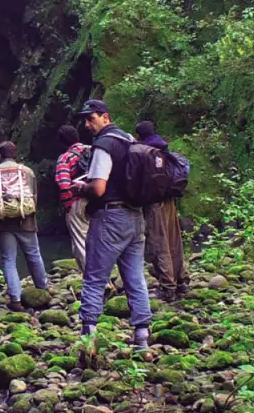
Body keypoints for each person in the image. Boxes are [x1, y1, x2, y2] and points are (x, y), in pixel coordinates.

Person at [75, 99, 153, 349]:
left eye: (92, 118)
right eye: (86, 119)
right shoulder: (130, 140)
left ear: (105, 117)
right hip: (136, 217)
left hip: (110, 217)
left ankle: (89, 339)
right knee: (135, 278)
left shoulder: (104, 145)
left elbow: (98, 188)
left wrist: (82, 186)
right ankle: (142, 337)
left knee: (95, 277)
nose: (88, 124)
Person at [0, 141, 50, 312]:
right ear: (15, 155)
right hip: (26, 220)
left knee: (8, 260)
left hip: (3, 224)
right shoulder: (27, 171)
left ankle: (15, 299)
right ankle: (43, 289)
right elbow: (34, 197)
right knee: (34, 255)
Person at [135, 120, 191, 301]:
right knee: (174, 240)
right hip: (169, 200)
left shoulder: (144, 152)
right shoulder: (163, 148)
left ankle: (167, 287)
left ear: (138, 135)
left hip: (154, 203)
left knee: (159, 244)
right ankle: (182, 280)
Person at [55, 125, 93, 270]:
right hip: (98, 199)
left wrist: (67, 205)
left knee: (81, 243)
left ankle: (95, 282)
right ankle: (105, 277)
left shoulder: (65, 157)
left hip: (77, 202)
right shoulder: (93, 149)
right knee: (98, 241)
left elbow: (64, 184)